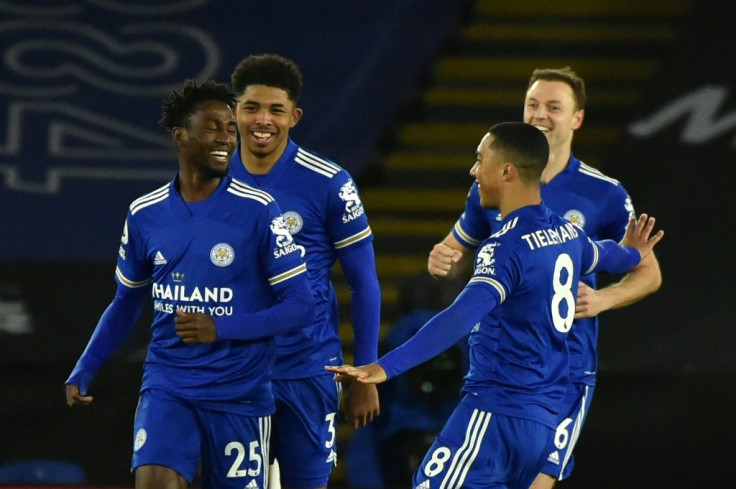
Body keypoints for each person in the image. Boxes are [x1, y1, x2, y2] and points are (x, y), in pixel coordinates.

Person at [328, 122, 664, 489]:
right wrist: (634, 252)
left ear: (506, 171)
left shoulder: (505, 247)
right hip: (542, 422)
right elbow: (606, 256)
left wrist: (383, 368)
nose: (473, 171)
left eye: (479, 160)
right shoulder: (568, 235)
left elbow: (459, 316)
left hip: (496, 412)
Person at [65, 79, 315, 489]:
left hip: (241, 395)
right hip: (169, 385)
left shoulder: (259, 209)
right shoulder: (145, 213)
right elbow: (127, 301)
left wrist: (221, 327)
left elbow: (301, 306)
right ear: (181, 135)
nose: (226, 138)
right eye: (213, 127)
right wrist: (86, 366)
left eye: (231, 128)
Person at [427, 67, 663, 488]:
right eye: (532, 104)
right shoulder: (498, 176)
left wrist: (604, 299)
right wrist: (446, 256)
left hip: (565, 369)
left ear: (577, 119)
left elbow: (648, 270)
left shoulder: (604, 193)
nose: (540, 114)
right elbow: (460, 245)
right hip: (498, 371)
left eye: (554, 107)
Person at [228, 54, 381, 489]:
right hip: (232, 372)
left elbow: (364, 283)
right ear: (233, 111)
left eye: (276, 110)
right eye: (252, 107)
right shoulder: (208, 178)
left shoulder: (330, 183)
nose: (263, 120)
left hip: (307, 371)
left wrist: (365, 373)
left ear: (294, 116)